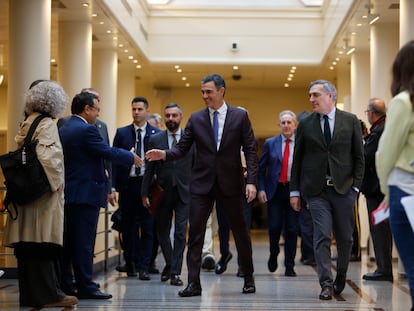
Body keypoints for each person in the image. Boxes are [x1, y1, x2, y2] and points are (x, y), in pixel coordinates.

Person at [146, 73, 258, 297]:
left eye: (208, 92)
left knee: (241, 233)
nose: (204, 96)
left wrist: (252, 182)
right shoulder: (196, 119)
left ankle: (248, 277)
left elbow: (251, 150)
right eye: (202, 92)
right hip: (201, 185)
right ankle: (193, 283)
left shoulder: (240, 116)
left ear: (221, 91)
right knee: (195, 234)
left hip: (231, 184)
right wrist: (164, 154)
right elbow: (182, 149)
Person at [3, 80, 78, 307]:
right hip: (42, 199)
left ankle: (30, 295)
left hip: (26, 195)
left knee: (27, 248)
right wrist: (58, 183)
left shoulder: (28, 121)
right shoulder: (47, 123)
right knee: (44, 245)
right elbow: (49, 157)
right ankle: (50, 295)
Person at [59, 92, 141, 300]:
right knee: (84, 243)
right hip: (85, 194)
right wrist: (131, 157)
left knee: (70, 243)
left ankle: (67, 283)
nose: (98, 114)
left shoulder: (64, 125)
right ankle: (86, 286)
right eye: (97, 109)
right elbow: (106, 152)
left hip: (70, 194)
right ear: (87, 109)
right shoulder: (86, 129)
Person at [290, 79, 364, 300]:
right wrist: (295, 191)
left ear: (330, 96)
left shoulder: (350, 121)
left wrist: (356, 188)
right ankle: (325, 283)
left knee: (345, 238)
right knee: (321, 236)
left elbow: (359, 158)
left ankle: (340, 275)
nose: (311, 99)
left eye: (316, 95)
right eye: (310, 95)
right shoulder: (305, 123)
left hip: (344, 190)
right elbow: (298, 160)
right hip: (316, 191)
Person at [376, 40, 414, 310]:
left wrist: (386, 192)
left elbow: (385, 153)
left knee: (412, 265)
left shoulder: (404, 102)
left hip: (404, 191)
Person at [141, 103, 195, 286]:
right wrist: (144, 193)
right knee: (162, 231)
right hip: (162, 192)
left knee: (180, 232)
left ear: (181, 117)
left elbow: (197, 167)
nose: (171, 119)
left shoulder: (190, 140)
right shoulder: (156, 140)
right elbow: (149, 169)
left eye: (174, 115)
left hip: (184, 192)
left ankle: (175, 273)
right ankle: (171, 264)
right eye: (168, 116)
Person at [112, 96, 160, 280]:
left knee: (148, 228)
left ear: (147, 110)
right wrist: (112, 188)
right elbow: (114, 160)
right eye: (134, 109)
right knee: (128, 227)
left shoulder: (156, 134)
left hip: (147, 186)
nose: (136, 112)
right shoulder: (122, 133)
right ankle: (130, 263)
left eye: (140, 109)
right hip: (128, 185)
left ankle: (144, 266)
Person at [258, 110, 299, 277]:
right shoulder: (270, 143)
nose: (286, 125)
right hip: (275, 191)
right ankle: (273, 253)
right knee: (274, 227)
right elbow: (261, 169)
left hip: (293, 191)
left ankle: (289, 265)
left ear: (295, 125)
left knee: (292, 229)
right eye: (283, 123)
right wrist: (261, 188)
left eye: (289, 122)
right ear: (279, 125)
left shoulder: (301, 144)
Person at [360, 98, 392, 281]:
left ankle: (383, 269)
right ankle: (385, 267)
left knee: (379, 229)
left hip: (376, 189)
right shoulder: (386, 127)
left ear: (371, 113)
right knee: (384, 229)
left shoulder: (378, 131)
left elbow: (366, 157)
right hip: (385, 187)